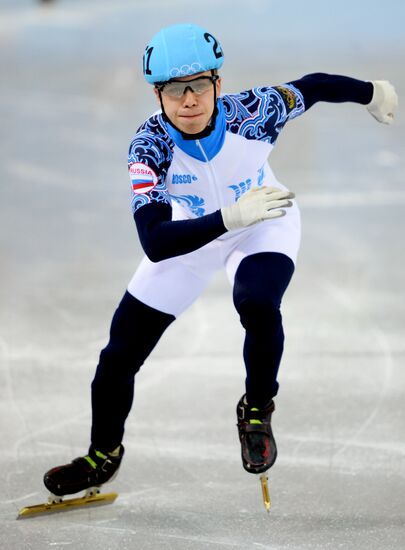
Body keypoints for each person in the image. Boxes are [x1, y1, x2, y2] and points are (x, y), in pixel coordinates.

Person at [43, 23, 398, 497]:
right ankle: (102, 454)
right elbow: (154, 242)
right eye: (174, 89)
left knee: (256, 300)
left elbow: (311, 87)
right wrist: (226, 218)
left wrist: (370, 92)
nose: (188, 100)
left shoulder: (254, 112)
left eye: (198, 85)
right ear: (157, 93)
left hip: (263, 222)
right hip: (190, 237)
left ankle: (257, 408)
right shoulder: (149, 146)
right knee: (118, 357)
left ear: (217, 83)